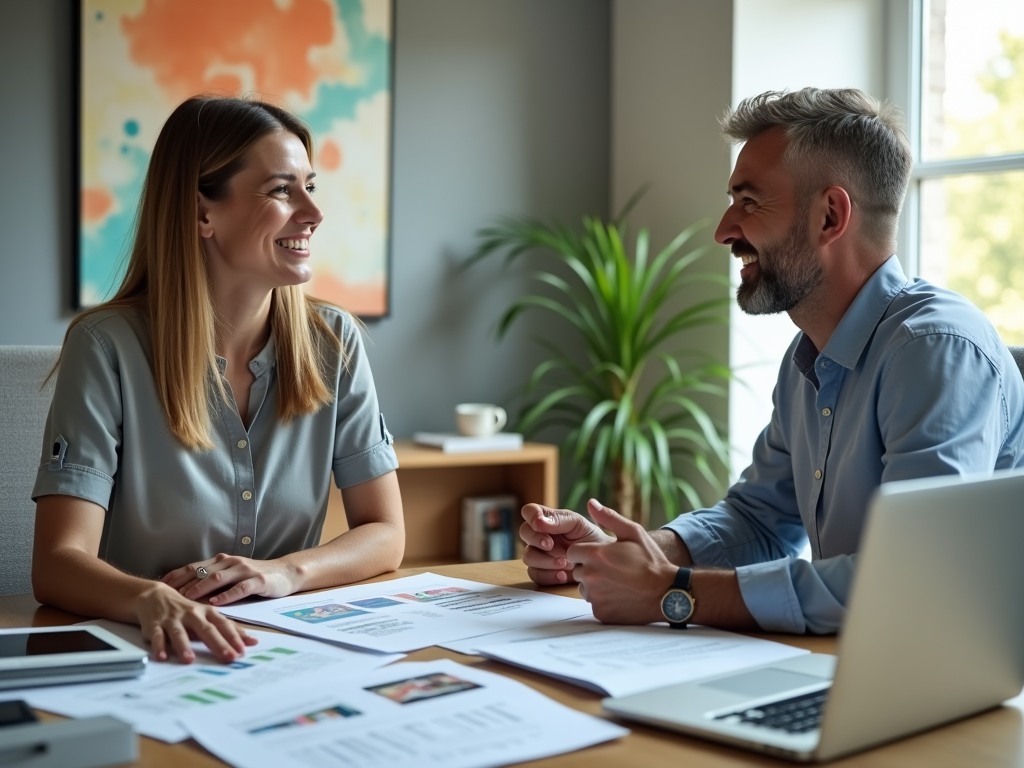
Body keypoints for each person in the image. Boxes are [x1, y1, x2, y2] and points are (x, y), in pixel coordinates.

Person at [520, 88, 1024, 634]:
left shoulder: (936, 349)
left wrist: (672, 592)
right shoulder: (809, 358)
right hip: (860, 663)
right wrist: (629, 554)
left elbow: (914, 579)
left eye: (749, 202)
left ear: (830, 215)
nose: (723, 230)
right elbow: (759, 521)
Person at [31, 96, 404, 663]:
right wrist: (151, 599)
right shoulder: (106, 346)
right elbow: (58, 561)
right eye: (282, 190)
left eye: (311, 186)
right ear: (202, 213)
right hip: (154, 652)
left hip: (286, 650)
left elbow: (385, 531)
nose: (312, 212)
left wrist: (284, 573)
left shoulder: (335, 341)